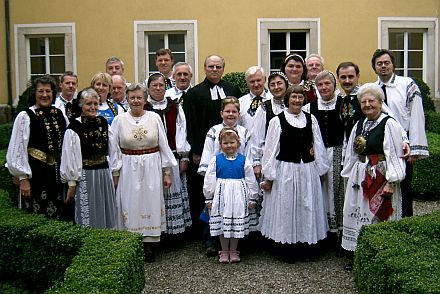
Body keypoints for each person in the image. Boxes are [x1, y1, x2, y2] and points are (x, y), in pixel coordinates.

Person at [259, 85, 329, 262]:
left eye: (300, 97)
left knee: (306, 206)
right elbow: (271, 149)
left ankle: (305, 245)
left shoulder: (311, 119)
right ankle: (287, 247)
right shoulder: (277, 120)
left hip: (307, 170)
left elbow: (318, 145)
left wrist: (321, 169)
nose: (297, 100)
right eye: (294, 97)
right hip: (286, 170)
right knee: (287, 207)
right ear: (287, 99)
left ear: (304, 99)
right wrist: (269, 175)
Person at [341, 83, 406, 269]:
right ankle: (357, 255)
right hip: (360, 174)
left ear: (380, 102)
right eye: (364, 102)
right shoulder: (360, 123)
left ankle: (377, 257)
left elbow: (394, 153)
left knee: (375, 215)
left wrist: (391, 182)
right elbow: (352, 151)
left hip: (381, 174)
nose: (368, 104)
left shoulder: (389, 124)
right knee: (357, 213)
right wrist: (349, 173)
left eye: (372, 101)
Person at [183, 54, 242, 257]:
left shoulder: (233, 90)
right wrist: (197, 151)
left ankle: (234, 239)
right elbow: (191, 124)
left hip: (233, 154)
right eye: (211, 66)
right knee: (209, 197)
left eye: (218, 66)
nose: (214, 69)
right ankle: (209, 238)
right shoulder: (194, 93)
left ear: (223, 69)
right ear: (205, 68)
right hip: (207, 152)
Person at [110, 83, 177, 262]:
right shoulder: (119, 120)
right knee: (130, 203)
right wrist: (115, 173)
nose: (136, 101)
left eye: (139, 97)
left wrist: (167, 172)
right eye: (132, 98)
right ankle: (132, 243)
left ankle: (149, 246)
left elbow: (163, 144)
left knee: (150, 202)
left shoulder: (154, 117)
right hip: (128, 166)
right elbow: (114, 148)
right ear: (127, 99)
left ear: (145, 99)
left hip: (152, 165)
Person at [371, 49, 429, 217]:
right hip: (383, 147)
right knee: (382, 188)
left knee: (404, 187)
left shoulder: (407, 84)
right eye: (379, 64)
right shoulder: (373, 89)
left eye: (386, 63)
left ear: (393, 65)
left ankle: (405, 222)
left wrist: (415, 147)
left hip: (404, 146)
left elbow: (417, 115)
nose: (383, 67)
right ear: (374, 68)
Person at [7, 75, 67, 219]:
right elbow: (17, 148)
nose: (45, 95)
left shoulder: (59, 114)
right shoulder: (25, 116)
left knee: (60, 215)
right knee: (37, 215)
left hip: (57, 176)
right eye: (41, 91)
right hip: (36, 176)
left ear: (53, 93)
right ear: (34, 93)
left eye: (48, 91)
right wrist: (23, 178)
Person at [60, 87, 117, 228]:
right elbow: (71, 156)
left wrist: (115, 173)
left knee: (105, 209)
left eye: (95, 103)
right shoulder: (74, 127)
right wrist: (72, 183)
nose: (92, 107)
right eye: (88, 104)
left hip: (103, 174)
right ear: (81, 105)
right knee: (89, 211)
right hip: (85, 176)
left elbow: (113, 150)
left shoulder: (103, 123)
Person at [144, 73, 192, 235]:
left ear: (166, 87)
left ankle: (174, 232)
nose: (158, 88)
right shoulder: (143, 107)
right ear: (148, 88)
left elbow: (182, 130)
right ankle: (156, 230)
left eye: (161, 85)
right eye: (154, 86)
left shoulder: (174, 106)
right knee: (154, 193)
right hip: (151, 158)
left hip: (172, 156)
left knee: (172, 190)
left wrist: (184, 155)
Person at [203, 127, 259, 263]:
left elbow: (251, 179)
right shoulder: (216, 160)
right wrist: (209, 197)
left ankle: (234, 250)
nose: (229, 146)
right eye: (226, 143)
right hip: (222, 195)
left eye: (232, 143)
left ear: (238, 144)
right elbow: (209, 179)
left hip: (239, 196)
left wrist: (252, 197)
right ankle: (224, 250)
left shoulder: (244, 160)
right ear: (220, 145)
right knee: (223, 222)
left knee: (235, 223)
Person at [303, 71, 345, 250]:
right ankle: (320, 233)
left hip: (337, 152)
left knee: (335, 191)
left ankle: (339, 234)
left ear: (334, 86)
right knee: (317, 192)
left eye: (327, 84)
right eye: (320, 85)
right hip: (316, 155)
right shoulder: (309, 108)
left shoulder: (344, 104)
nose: (324, 87)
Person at [198, 97, 251, 176]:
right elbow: (207, 151)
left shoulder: (244, 132)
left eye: (234, 112)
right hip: (217, 173)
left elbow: (248, 154)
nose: (231, 114)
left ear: (238, 114)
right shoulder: (214, 131)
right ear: (221, 114)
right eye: (227, 111)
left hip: (239, 174)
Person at [250, 72, 288, 179]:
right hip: (270, 158)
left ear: (286, 84)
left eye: (279, 83)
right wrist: (257, 162)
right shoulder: (264, 108)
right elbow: (257, 136)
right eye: (272, 84)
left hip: (291, 159)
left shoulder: (294, 105)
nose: (276, 87)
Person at [336, 62, 364, 145]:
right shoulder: (343, 100)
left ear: (357, 77)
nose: (347, 81)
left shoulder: (366, 95)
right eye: (343, 77)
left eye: (350, 77)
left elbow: (387, 116)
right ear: (338, 78)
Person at [238, 66, 272, 131]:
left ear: (265, 79)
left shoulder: (272, 100)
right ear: (247, 83)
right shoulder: (240, 103)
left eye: (258, 80)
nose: (256, 84)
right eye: (252, 81)